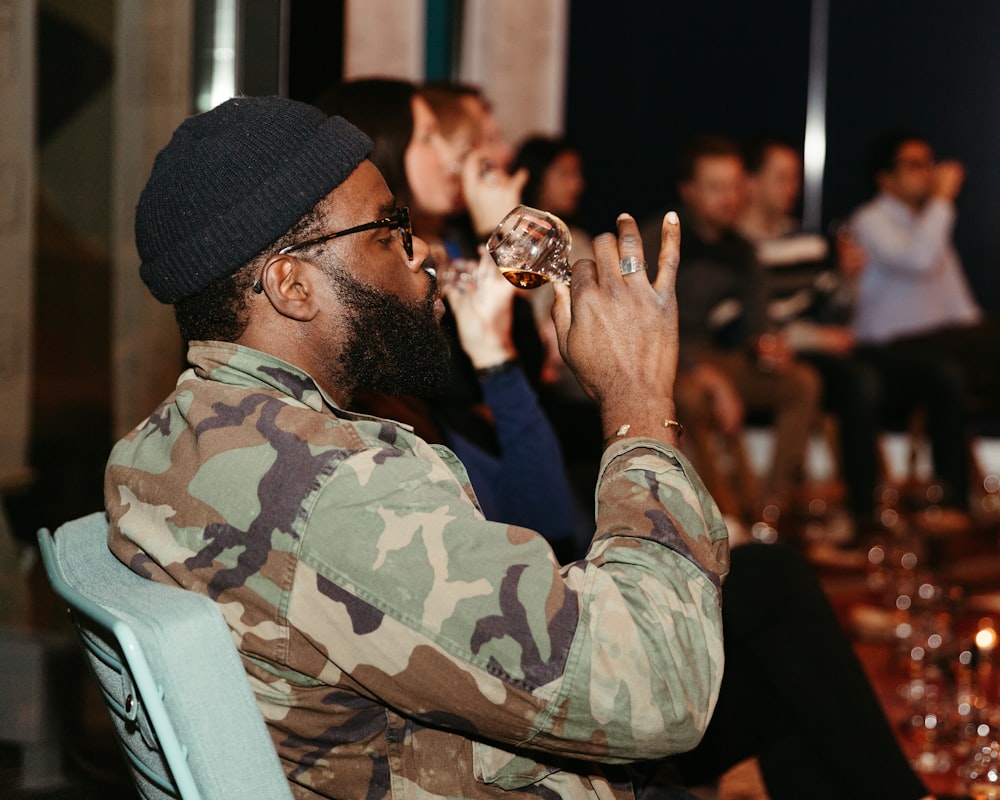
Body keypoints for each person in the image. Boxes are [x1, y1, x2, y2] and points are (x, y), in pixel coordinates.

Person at [103, 95, 728, 800]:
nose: (423, 249)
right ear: (292, 285)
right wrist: (638, 402)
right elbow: (661, 687)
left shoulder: (157, 444)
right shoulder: (338, 490)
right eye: (389, 230)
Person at [641, 135, 821, 532]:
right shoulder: (659, 240)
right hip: (660, 359)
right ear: (688, 191)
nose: (729, 198)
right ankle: (720, 513)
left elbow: (758, 326)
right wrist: (703, 373)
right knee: (690, 395)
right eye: (716, 188)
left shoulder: (741, 248)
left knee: (801, 383)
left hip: (714, 357)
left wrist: (768, 347)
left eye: (735, 187)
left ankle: (769, 506)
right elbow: (643, 324)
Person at [849, 131, 1000, 412]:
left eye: (929, 164)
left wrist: (982, 337)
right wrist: (942, 200)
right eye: (915, 165)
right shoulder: (869, 220)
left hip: (938, 342)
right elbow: (919, 260)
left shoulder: (930, 224)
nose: (928, 173)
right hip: (888, 346)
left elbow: (958, 301)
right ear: (886, 177)